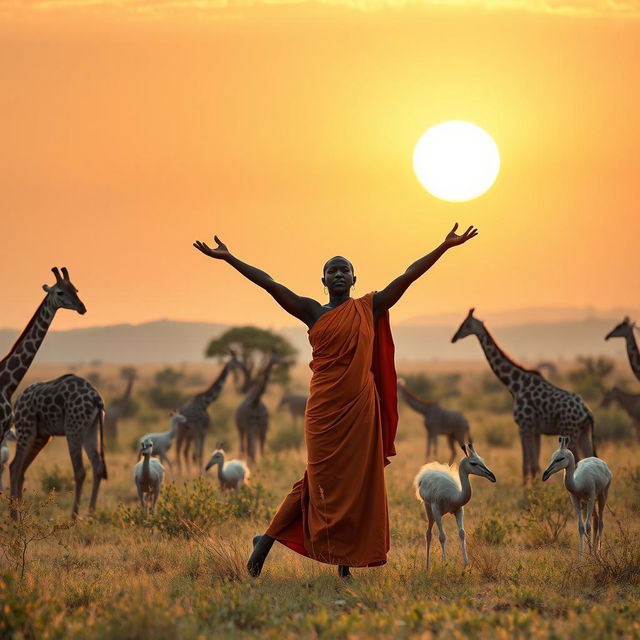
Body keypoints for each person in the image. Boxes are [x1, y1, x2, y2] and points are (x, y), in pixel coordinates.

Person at [193, 223, 478, 578]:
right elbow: (270, 284)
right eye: (332, 270)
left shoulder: (369, 308)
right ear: (324, 281)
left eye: (345, 269)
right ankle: (264, 542)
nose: (339, 273)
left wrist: (444, 246)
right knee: (315, 481)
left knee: (358, 482)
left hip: (360, 409)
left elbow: (408, 276)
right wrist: (230, 258)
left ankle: (345, 564)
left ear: (354, 279)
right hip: (324, 413)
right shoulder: (314, 312)